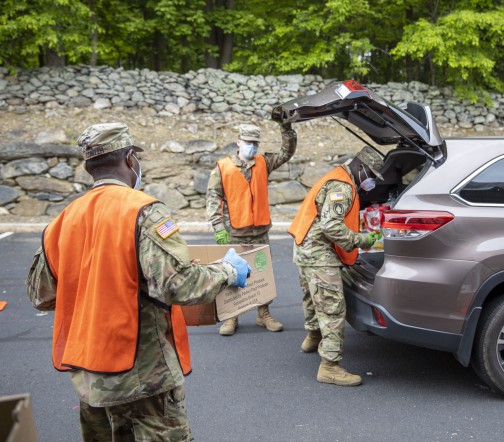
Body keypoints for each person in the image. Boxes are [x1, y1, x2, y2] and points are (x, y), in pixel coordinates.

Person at [25, 122, 251, 441]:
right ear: (131, 159)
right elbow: (177, 285)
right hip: (142, 375)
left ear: (90, 167)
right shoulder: (144, 212)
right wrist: (227, 270)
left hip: (90, 376)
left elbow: (41, 295)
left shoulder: (64, 219)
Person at [288, 146, 384, 387]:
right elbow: (332, 227)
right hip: (319, 253)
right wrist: (363, 240)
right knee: (332, 308)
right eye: (371, 175)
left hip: (304, 247)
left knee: (312, 296)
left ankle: (313, 336)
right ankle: (330, 367)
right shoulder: (342, 187)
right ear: (361, 168)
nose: (371, 181)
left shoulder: (336, 175)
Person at [206, 122, 297, 336]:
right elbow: (213, 198)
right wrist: (218, 227)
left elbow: (287, 152)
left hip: (260, 232)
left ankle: (263, 313)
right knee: (231, 273)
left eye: (255, 143)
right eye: (248, 142)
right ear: (238, 142)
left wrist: (286, 129)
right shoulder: (223, 166)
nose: (252, 147)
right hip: (234, 231)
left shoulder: (264, 162)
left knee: (261, 272)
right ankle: (231, 316)